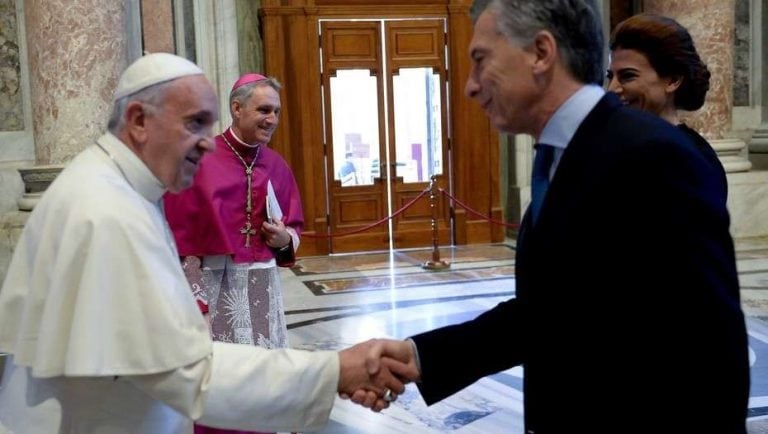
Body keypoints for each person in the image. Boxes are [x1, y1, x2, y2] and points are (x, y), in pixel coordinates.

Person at [359, 1, 750, 432]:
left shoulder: (653, 155)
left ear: (541, 53)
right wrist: (420, 356)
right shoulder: (562, 156)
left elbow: (714, 356)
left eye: (481, 60)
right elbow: (554, 310)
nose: (470, 86)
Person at [0, 52, 413, 433]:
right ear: (139, 120)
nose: (208, 141)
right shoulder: (105, 210)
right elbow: (190, 375)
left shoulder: (119, 188)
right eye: (195, 123)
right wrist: (334, 371)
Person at [163, 72, 302, 434]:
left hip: (261, 289)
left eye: (276, 111)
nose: (272, 119)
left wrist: (282, 239)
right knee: (220, 386)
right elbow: (183, 240)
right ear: (236, 109)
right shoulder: (201, 161)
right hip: (216, 288)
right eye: (264, 110)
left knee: (263, 380)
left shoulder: (277, 165)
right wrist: (197, 306)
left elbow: (294, 229)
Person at [607, 13, 728, 202]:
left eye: (628, 76)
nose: (612, 88)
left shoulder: (692, 160)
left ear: (672, 80)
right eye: (610, 76)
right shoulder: (612, 145)